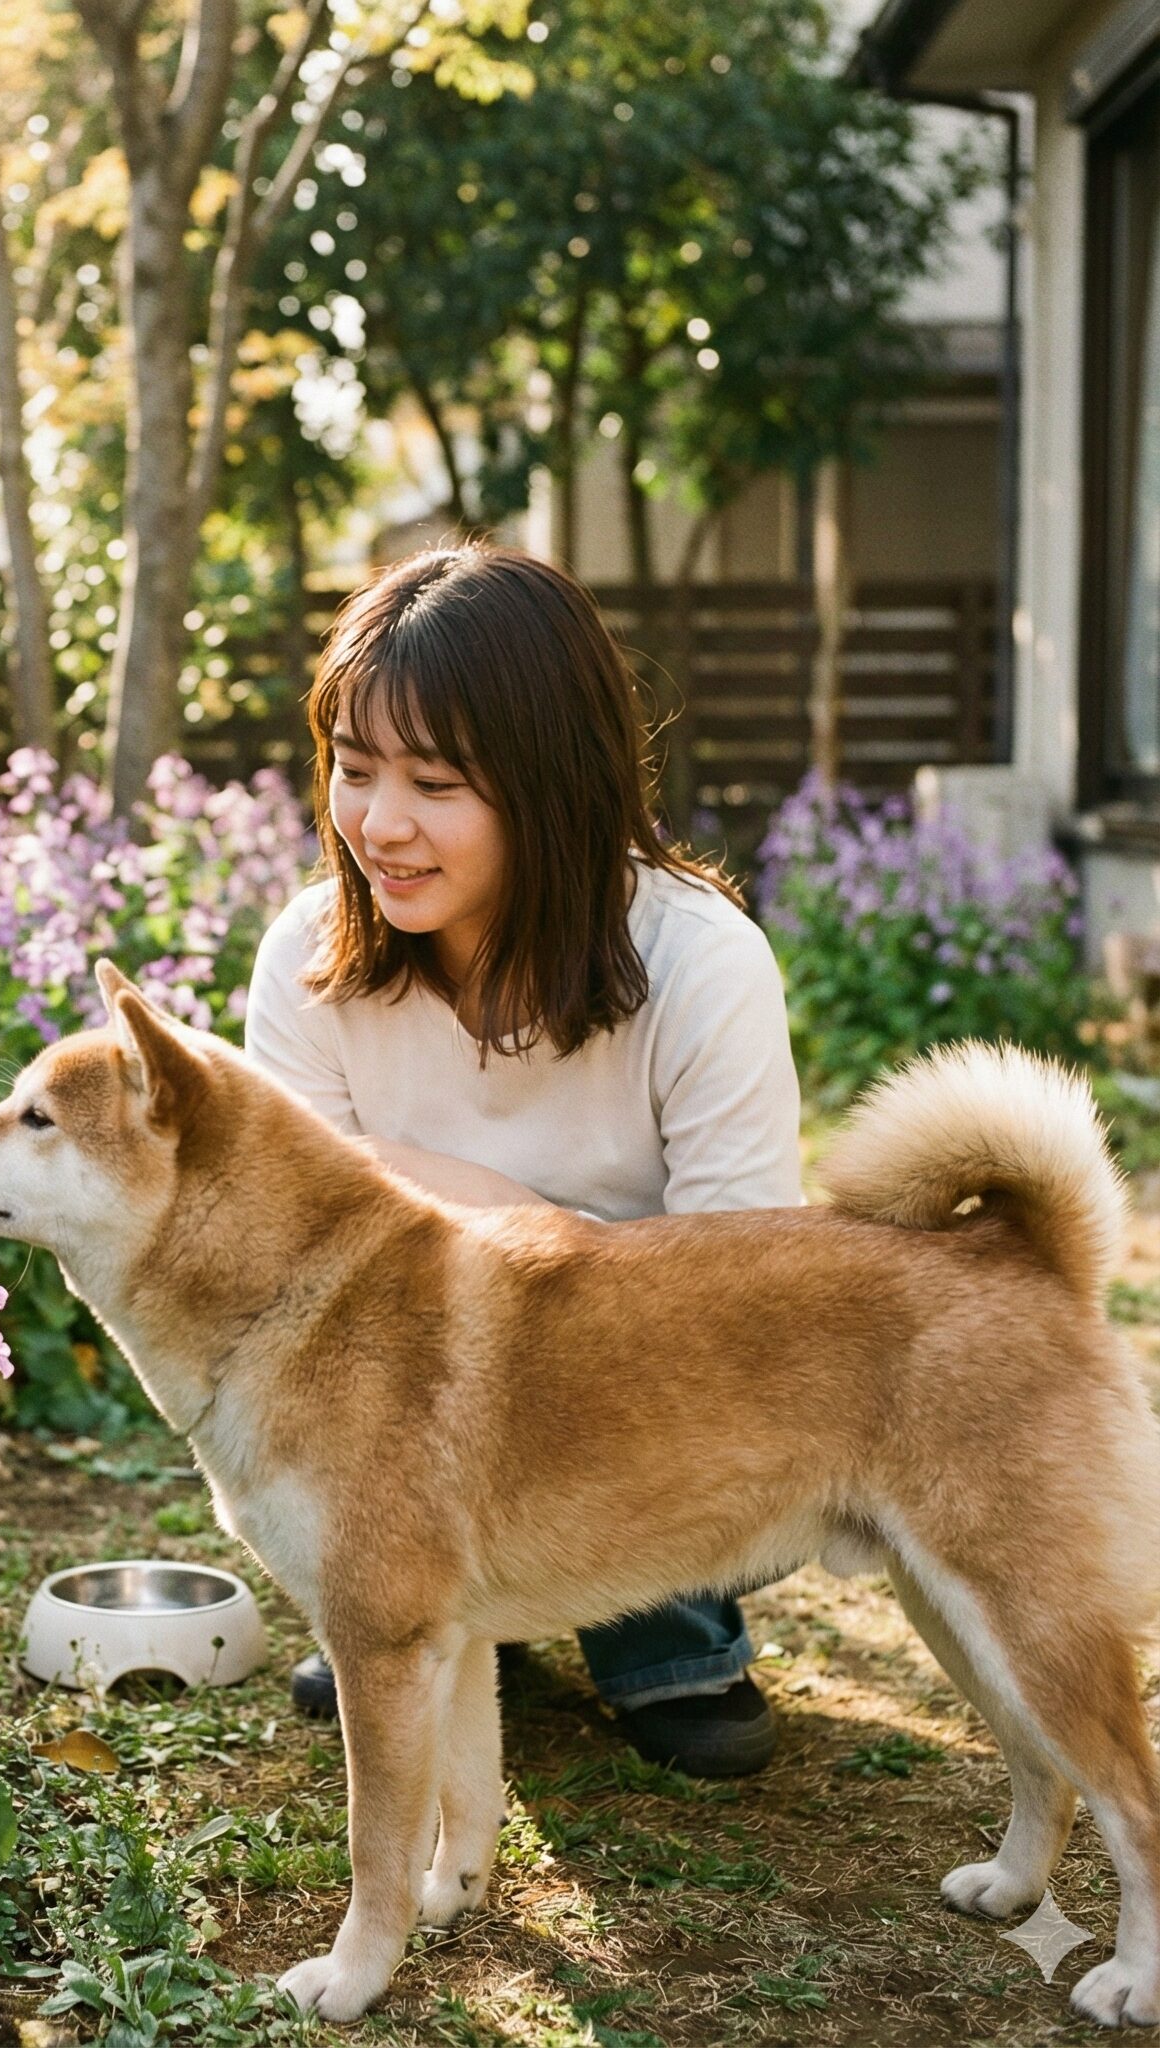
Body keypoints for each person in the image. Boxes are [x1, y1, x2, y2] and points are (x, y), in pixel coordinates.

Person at [242, 542, 802, 1778]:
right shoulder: (306, 957)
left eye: (434, 782)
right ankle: (413, 1593)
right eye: (352, 769)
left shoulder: (700, 965)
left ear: (550, 785)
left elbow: (747, 1307)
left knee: (695, 1707)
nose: (379, 825)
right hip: (400, 1416)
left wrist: (494, 1211)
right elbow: (282, 1263)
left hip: (640, 1401)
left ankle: (664, 1620)